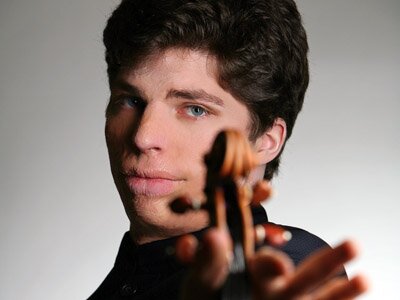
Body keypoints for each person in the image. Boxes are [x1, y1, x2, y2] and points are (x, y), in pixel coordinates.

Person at [89, 0, 368, 299]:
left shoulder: (281, 264)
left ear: (266, 141)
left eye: (195, 109)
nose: (143, 137)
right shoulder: (121, 281)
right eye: (131, 101)